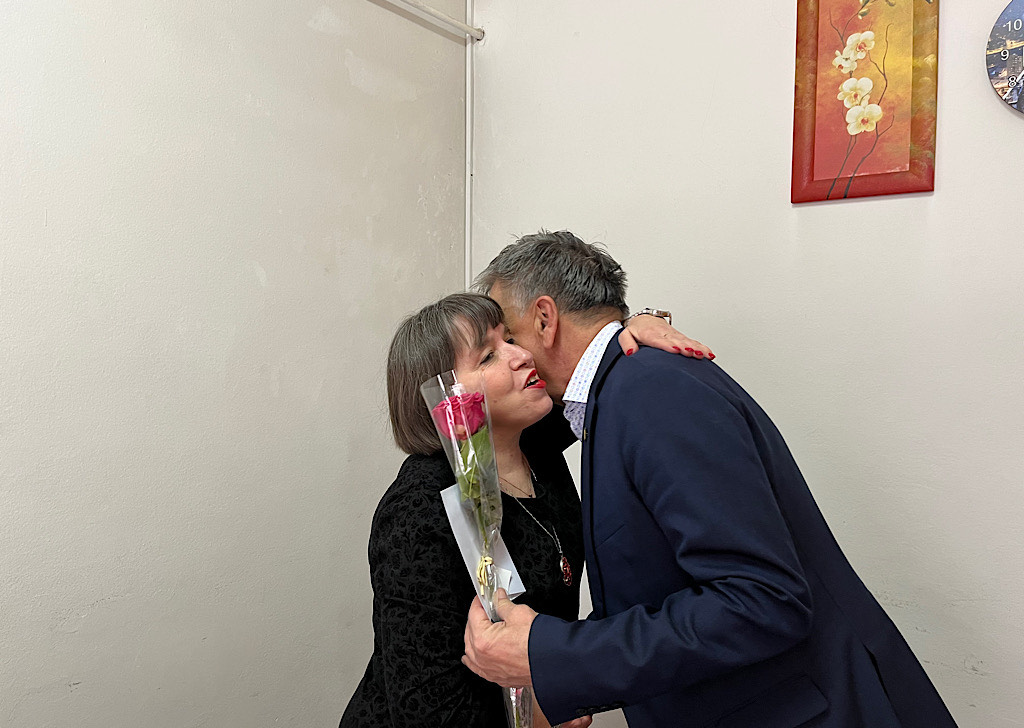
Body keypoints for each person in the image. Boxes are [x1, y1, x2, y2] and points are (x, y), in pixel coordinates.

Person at [463, 231, 959, 728]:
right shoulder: (621, 391)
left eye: (510, 338)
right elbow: (657, 594)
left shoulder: (649, 391)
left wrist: (554, 655)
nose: (512, 356)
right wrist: (569, 682)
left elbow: (762, 600)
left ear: (545, 319)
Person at [340, 292, 710, 727]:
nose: (521, 356)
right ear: (444, 400)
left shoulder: (536, 441)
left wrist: (634, 325)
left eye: (510, 340)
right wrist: (539, 713)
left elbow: (594, 363)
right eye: (488, 356)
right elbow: (426, 709)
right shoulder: (418, 511)